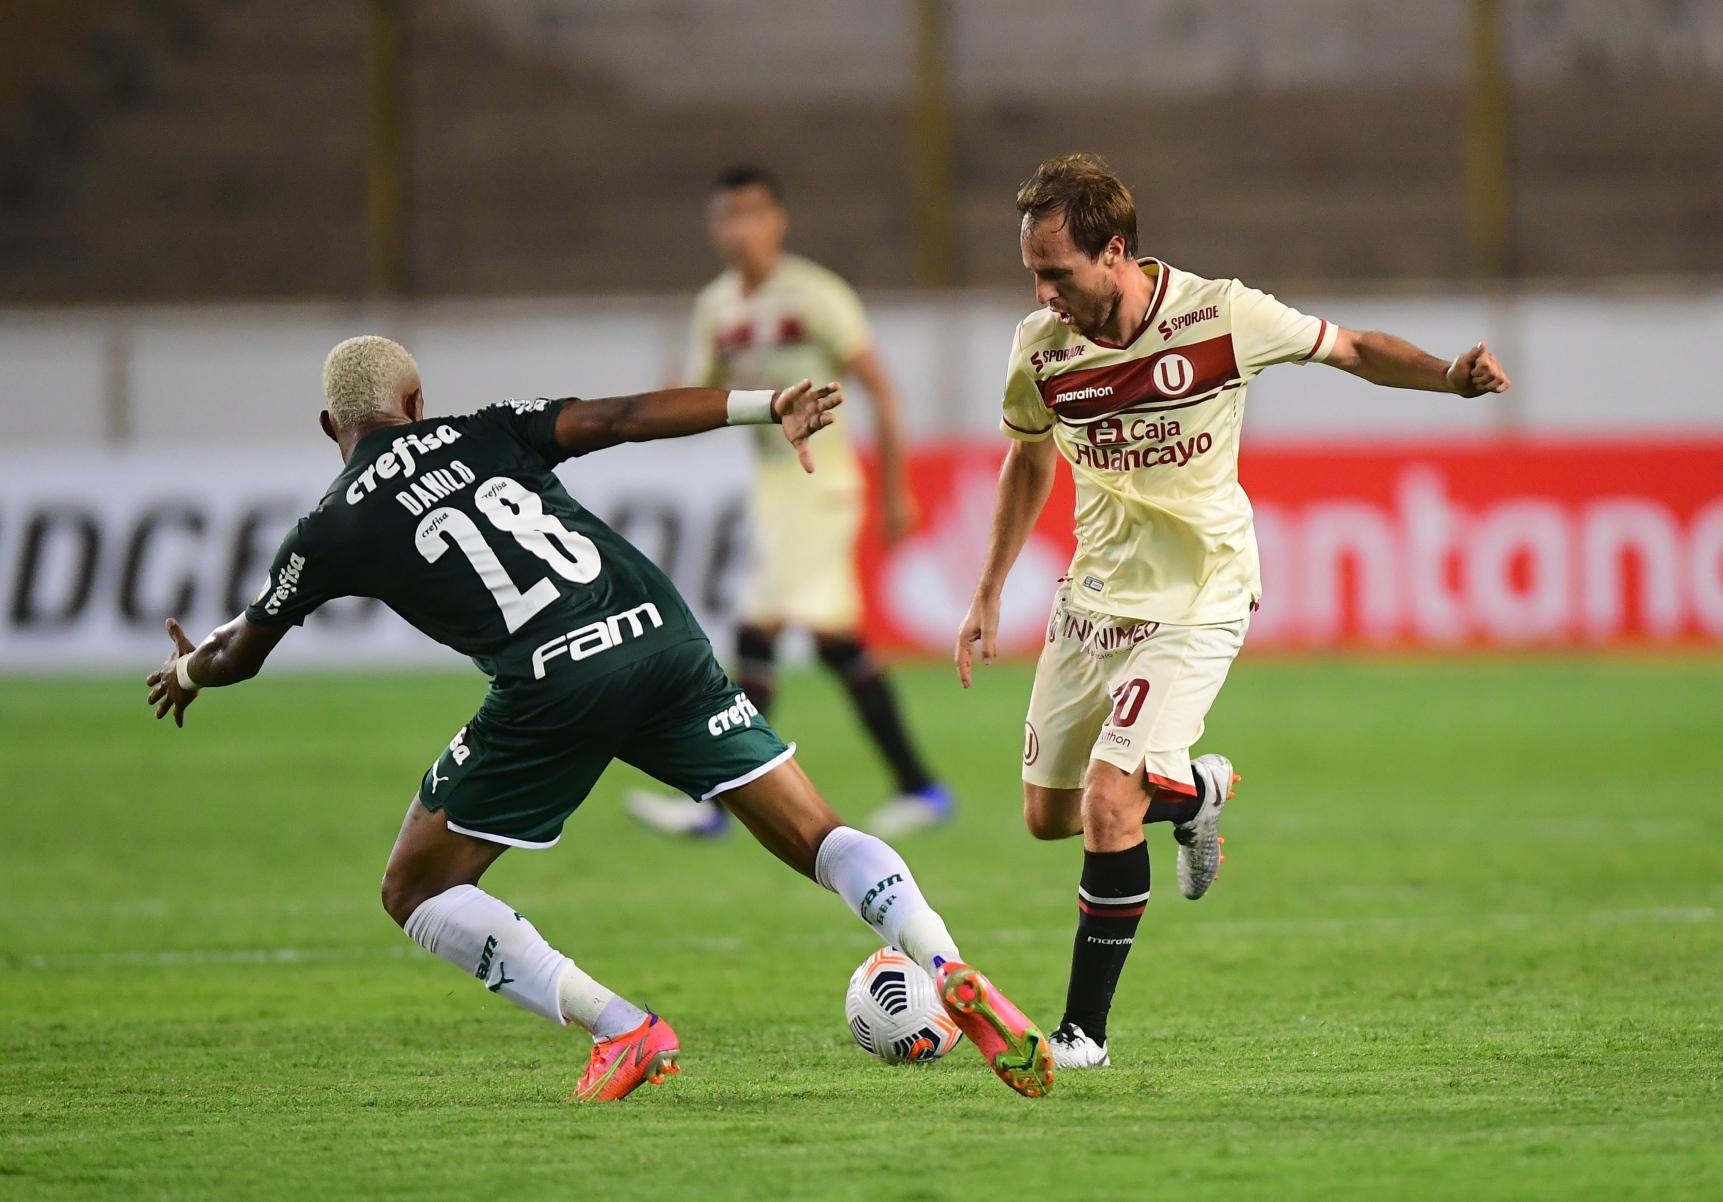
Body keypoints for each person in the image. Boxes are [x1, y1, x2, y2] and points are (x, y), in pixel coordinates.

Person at [145, 335, 1053, 1101]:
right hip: (661, 632)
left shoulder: (332, 524)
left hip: (552, 683)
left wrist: (188, 667)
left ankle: (622, 1029)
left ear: (327, 430)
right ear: (417, 400)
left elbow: (243, 650)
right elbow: (620, 419)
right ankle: (941, 962)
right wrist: (763, 403)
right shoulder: (482, 429)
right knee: (817, 833)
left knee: (414, 888)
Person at [954, 154, 1512, 1070]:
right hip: (1094, 600)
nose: (1045, 293)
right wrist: (988, 589)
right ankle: (1197, 790)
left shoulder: (1218, 315)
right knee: (1047, 817)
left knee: (1105, 802)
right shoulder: (1039, 350)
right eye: (1033, 275)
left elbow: (1350, 348)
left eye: (1058, 272)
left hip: (1200, 595)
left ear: (1115, 251)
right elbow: (1027, 457)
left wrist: (1447, 377)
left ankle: (1082, 1036)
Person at [626, 164, 952, 840]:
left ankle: (716, 806)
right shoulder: (715, 307)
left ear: (777, 219)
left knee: (757, 627)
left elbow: (882, 393)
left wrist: (896, 493)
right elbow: (704, 398)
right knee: (835, 642)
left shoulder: (814, 295)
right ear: (713, 227)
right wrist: (664, 402)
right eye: (726, 215)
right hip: (772, 489)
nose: (739, 228)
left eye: (752, 212)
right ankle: (921, 788)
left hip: (823, 483)